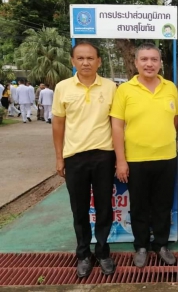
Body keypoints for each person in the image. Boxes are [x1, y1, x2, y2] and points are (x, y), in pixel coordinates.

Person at [110, 43, 178, 267]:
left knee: (162, 205)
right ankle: (141, 246)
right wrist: (121, 160)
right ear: (136, 62)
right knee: (139, 205)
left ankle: (161, 244)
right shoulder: (124, 90)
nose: (149, 64)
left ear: (160, 63)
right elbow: (117, 127)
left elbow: (175, 120)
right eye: (144, 59)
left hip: (167, 157)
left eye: (154, 59)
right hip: (136, 159)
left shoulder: (170, 87)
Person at [52, 41, 117, 278]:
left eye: (90, 58)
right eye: (80, 58)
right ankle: (83, 254)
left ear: (99, 61)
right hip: (74, 157)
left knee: (104, 207)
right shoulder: (62, 88)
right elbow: (58, 125)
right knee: (78, 209)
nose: (85, 62)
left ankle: (103, 252)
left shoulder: (110, 88)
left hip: (103, 155)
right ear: (72, 61)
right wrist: (59, 158)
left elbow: (116, 123)